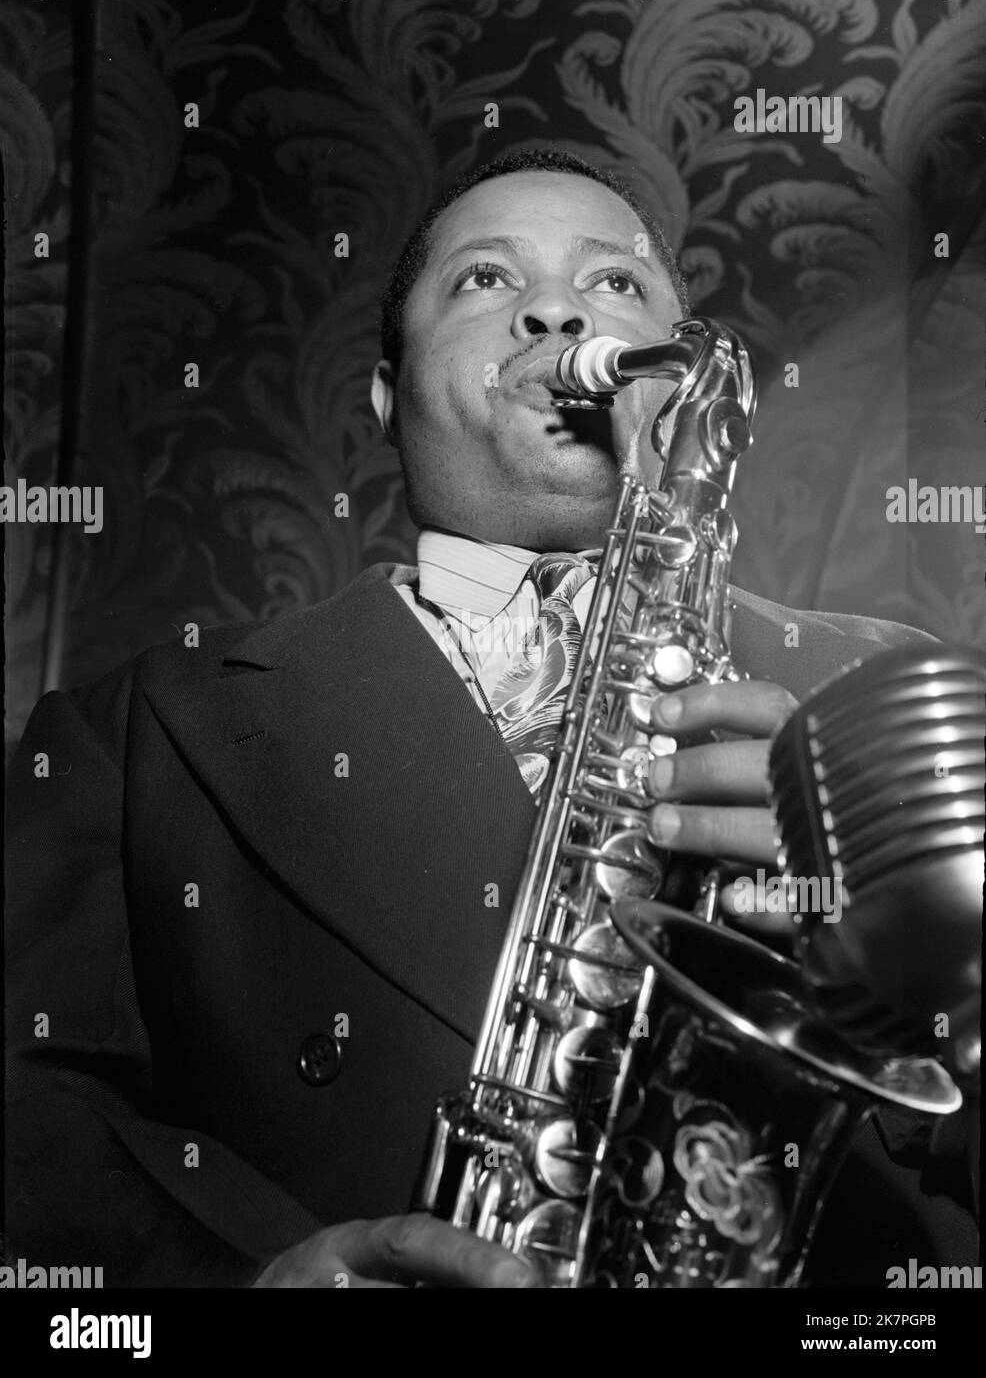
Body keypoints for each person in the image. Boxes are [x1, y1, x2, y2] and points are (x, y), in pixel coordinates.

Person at [5, 150, 977, 1289]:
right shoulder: (125, 730)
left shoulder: (902, 683)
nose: (559, 306)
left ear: (681, 374)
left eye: (615, 282)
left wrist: (937, 962)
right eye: (481, 279)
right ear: (384, 391)